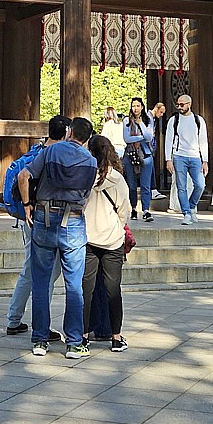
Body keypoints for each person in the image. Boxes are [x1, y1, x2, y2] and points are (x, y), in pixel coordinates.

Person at [26, 116, 99, 359]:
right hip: (74, 221)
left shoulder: (51, 151)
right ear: (87, 138)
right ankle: (74, 342)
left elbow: (25, 175)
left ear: (69, 132)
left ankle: (40, 340)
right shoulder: (91, 161)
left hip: (44, 217)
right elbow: (86, 195)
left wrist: (27, 205)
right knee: (74, 285)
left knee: (41, 282)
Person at [7, 116, 66, 339]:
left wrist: (25, 206)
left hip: (28, 217)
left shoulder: (37, 150)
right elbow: (24, 176)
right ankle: (42, 323)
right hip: (45, 217)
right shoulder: (55, 155)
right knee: (48, 272)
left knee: (30, 269)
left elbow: (23, 176)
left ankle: (14, 318)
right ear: (66, 131)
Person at [82, 134, 132, 352]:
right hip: (112, 239)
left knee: (86, 289)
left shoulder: (84, 176)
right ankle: (116, 337)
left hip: (88, 237)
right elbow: (125, 210)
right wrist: (117, 226)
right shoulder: (117, 179)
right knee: (113, 290)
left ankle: (83, 336)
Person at [163, 94, 209, 225]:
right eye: (178, 104)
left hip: (195, 156)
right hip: (179, 156)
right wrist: (168, 159)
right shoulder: (174, 120)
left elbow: (203, 140)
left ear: (189, 104)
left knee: (200, 184)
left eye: (182, 104)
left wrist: (205, 160)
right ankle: (186, 213)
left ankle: (192, 205)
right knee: (181, 186)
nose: (179, 107)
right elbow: (169, 140)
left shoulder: (198, 120)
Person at [121, 99, 158, 222]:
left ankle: (146, 210)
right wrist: (142, 137)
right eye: (133, 106)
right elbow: (127, 138)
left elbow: (149, 137)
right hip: (130, 154)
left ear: (142, 107)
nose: (135, 108)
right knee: (131, 185)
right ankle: (133, 208)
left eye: (138, 106)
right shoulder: (127, 121)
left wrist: (141, 124)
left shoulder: (148, 119)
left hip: (145, 153)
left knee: (145, 185)